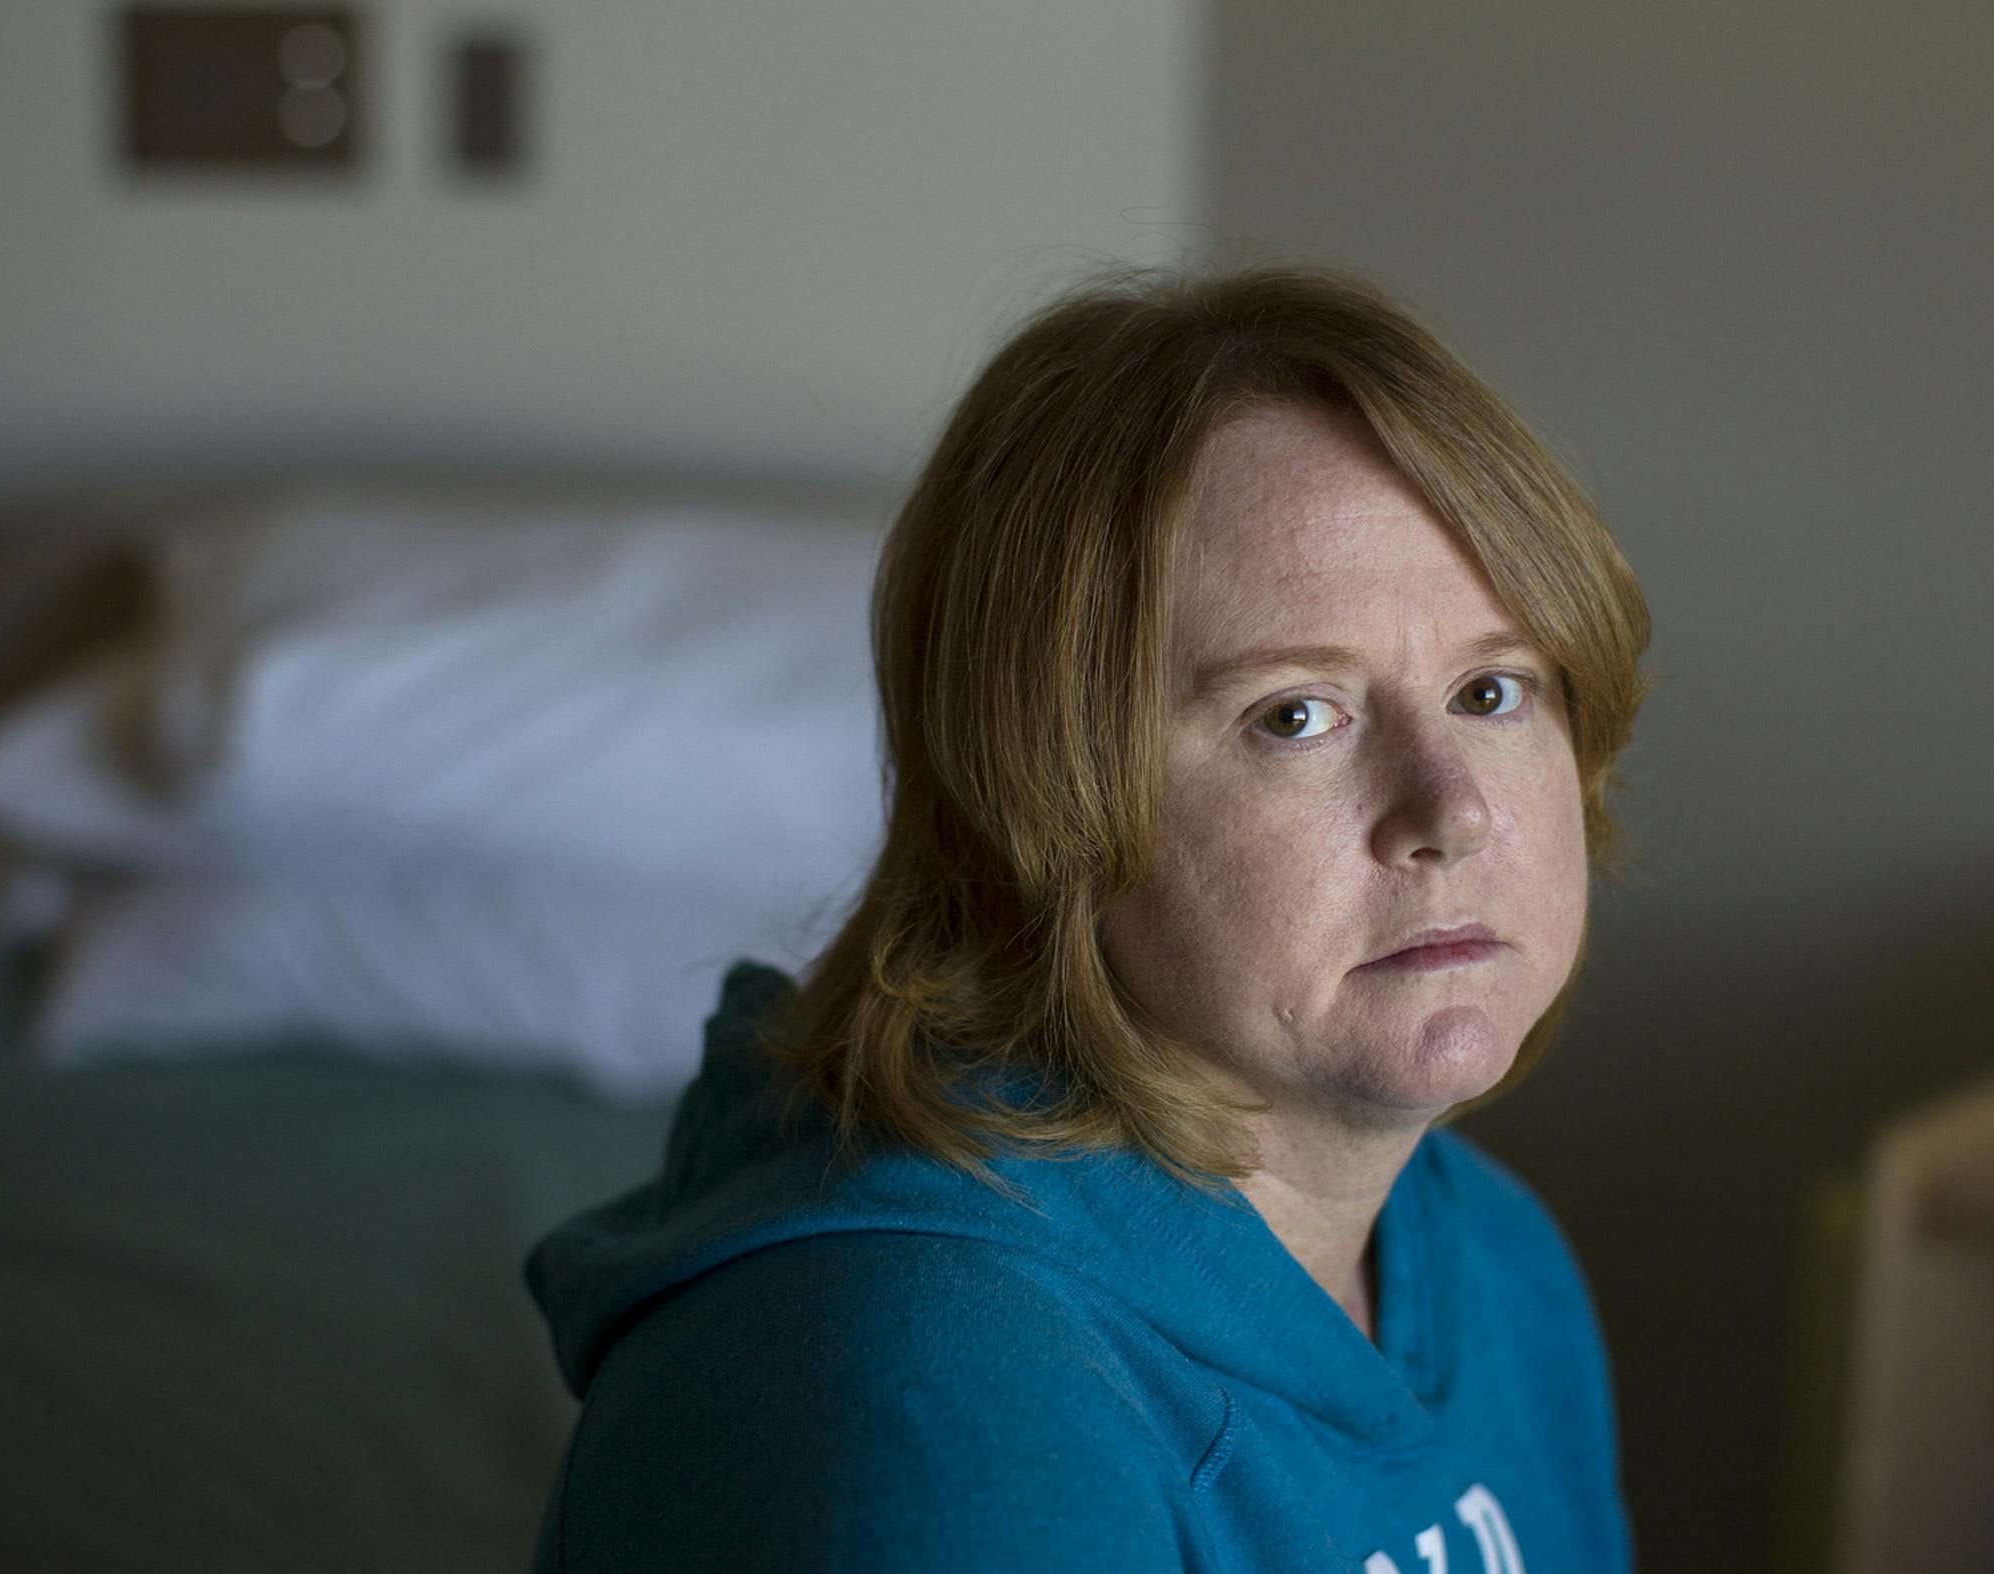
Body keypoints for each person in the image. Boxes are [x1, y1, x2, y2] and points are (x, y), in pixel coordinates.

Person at [523, 265, 1652, 1573]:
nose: (1448, 809)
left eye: (1495, 689)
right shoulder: (935, 1403)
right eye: (1295, 714)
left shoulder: (1492, 1261)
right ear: (1044, 798)